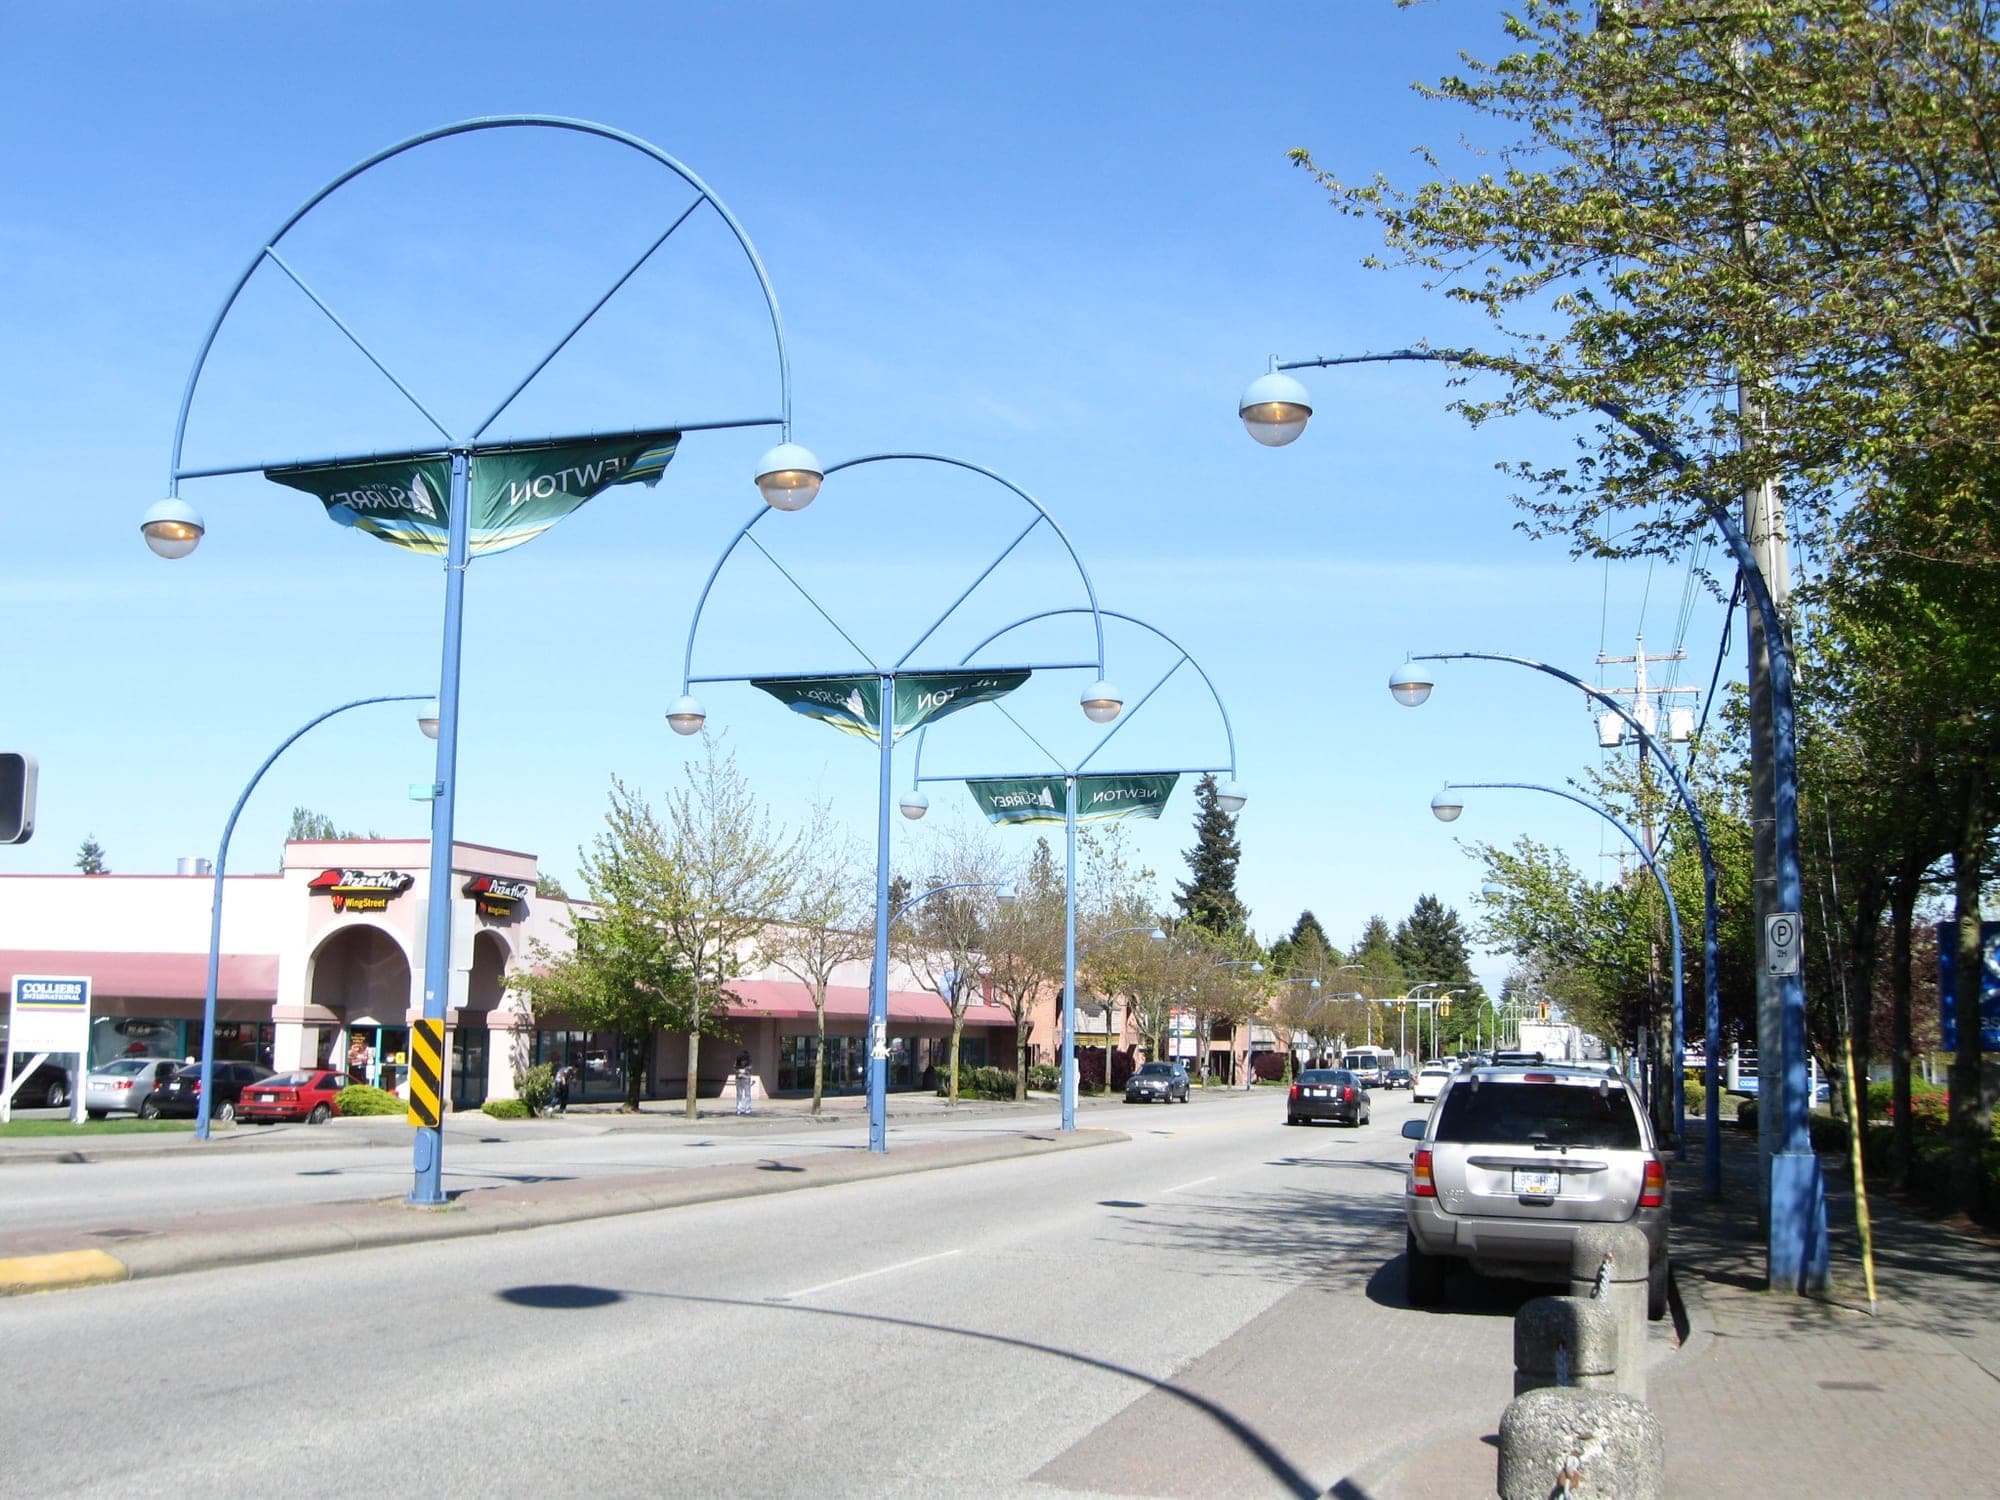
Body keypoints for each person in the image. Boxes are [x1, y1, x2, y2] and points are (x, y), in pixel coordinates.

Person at [734, 1050, 754, 1115]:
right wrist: (742, 1072)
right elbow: (735, 1068)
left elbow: (749, 1069)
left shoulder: (748, 1061)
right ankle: (742, 1109)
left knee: (743, 1095)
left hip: (744, 1079)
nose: (743, 1061)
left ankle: (741, 1109)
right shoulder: (739, 1060)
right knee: (744, 1094)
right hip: (742, 1079)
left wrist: (741, 1072)